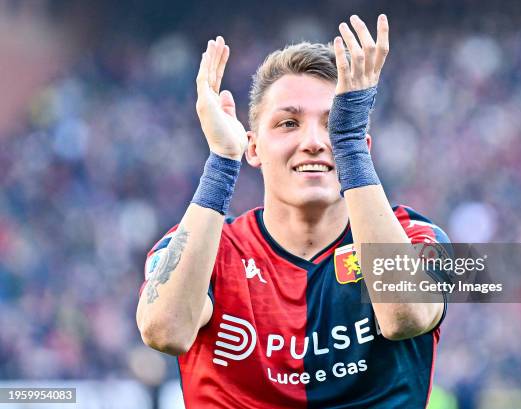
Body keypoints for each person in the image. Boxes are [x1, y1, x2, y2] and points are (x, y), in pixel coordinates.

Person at [137, 14, 450, 408]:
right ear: (253, 147)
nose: (315, 141)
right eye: (288, 123)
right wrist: (221, 162)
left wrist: (347, 143)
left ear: (363, 146)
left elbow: (407, 317)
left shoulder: (419, 238)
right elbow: (165, 331)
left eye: (336, 124)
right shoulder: (206, 248)